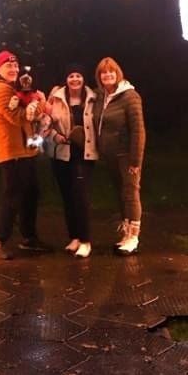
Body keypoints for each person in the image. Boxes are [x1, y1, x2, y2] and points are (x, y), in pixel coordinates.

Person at [0, 49, 51, 260]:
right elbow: (18, 117)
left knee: (31, 193)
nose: (13, 69)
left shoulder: (13, 88)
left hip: (25, 150)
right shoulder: (0, 90)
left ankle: (29, 238)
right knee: (12, 196)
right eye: (8, 66)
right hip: (12, 152)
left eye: (15, 65)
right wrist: (41, 102)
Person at [44, 63, 97, 258]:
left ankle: (85, 240)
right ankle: (74, 237)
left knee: (80, 195)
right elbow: (44, 124)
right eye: (71, 76)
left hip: (84, 154)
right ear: (65, 79)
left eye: (78, 75)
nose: (75, 79)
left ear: (84, 78)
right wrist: (53, 136)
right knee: (67, 197)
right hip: (61, 153)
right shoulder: (55, 97)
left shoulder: (93, 98)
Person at [93, 56, 145, 255]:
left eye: (111, 72)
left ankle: (133, 237)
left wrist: (135, 160)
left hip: (126, 154)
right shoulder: (101, 96)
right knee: (121, 193)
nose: (107, 75)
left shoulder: (130, 96)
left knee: (131, 192)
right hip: (110, 155)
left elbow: (138, 130)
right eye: (103, 73)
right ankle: (125, 233)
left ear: (118, 74)